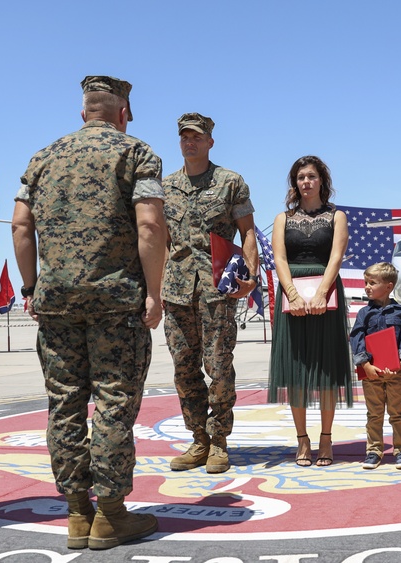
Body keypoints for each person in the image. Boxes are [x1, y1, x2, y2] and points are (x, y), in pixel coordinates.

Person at [12, 75, 166, 550]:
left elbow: (20, 226)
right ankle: (112, 515)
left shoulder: (43, 157)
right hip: (115, 303)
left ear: (84, 113)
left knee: (65, 405)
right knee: (114, 404)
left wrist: (33, 286)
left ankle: (78, 513)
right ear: (123, 113)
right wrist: (154, 293)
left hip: (56, 304)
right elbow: (150, 222)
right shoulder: (136, 153)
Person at [161, 113, 258, 475]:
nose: (190, 142)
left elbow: (247, 232)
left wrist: (250, 275)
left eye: (197, 137)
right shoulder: (165, 186)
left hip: (218, 289)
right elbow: (160, 240)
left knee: (218, 367)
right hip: (176, 291)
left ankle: (219, 441)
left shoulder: (230, 182)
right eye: (184, 137)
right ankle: (198, 439)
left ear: (210, 142)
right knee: (184, 369)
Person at [268, 155, 353, 467]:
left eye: (311, 176)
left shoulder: (336, 217)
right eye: (301, 177)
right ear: (295, 183)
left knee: (327, 369)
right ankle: (302, 439)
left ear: (322, 182)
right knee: (297, 370)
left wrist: (320, 293)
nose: (306, 182)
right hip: (292, 297)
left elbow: (336, 257)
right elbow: (279, 259)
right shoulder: (282, 219)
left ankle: (326, 439)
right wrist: (292, 294)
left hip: (326, 296)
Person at [349, 262, 401, 470]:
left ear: (388, 286)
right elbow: (357, 338)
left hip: (395, 372)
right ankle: (374, 451)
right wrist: (365, 364)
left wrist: (400, 362)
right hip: (371, 373)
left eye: (372, 283)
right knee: (374, 414)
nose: (367, 286)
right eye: (365, 282)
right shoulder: (363, 314)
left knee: (397, 413)